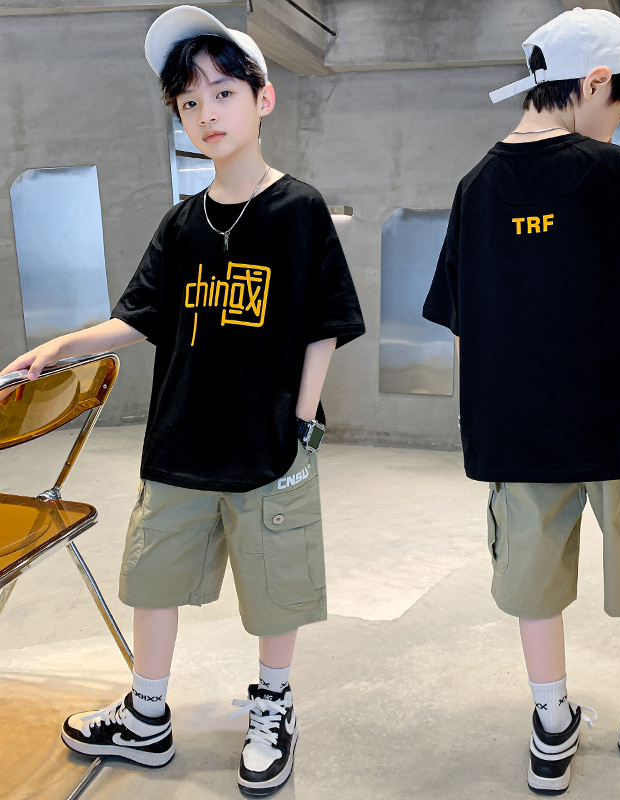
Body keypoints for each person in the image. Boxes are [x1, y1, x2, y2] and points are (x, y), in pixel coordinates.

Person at [1, 5, 364, 796]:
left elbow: (325, 324)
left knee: (275, 587)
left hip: (270, 446)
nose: (207, 113)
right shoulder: (181, 225)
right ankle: (146, 717)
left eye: (223, 94)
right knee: (153, 580)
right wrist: (61, 347)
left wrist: (301, 423)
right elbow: (139, 317)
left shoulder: (298, 210)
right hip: (180, 443)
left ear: (263, 99)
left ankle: (273, 707)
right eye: (190, 101)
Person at [422, 8, 620, 796]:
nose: (619, 123)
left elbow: (461, 323)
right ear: (594, 82)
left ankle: (550, 722)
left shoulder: (475, 189)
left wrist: (479, 429)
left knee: (532, 581)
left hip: (517, 437)